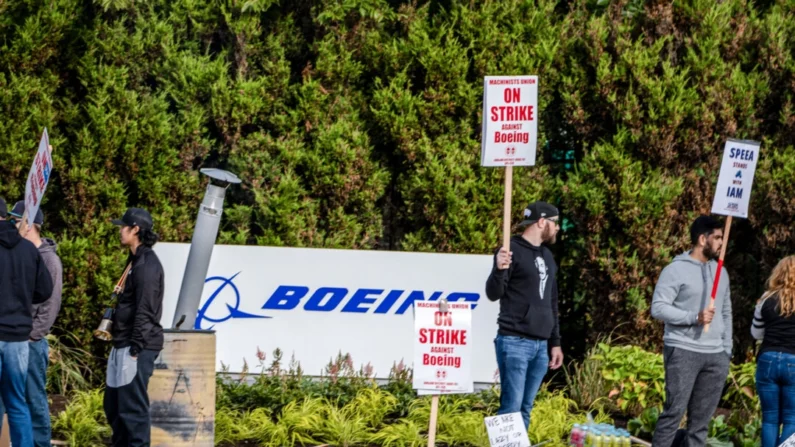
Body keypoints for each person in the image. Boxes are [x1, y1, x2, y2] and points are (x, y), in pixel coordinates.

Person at [651, 215, 732, 447]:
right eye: (717, 238)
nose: (720, 243)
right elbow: (658, 308)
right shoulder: (675, 270)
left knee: (701, 424)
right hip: (683, 350)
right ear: (701, 239)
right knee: (673, 414)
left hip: (716, 356)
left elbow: (726, 312)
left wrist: (726, 350)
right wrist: (693, 318)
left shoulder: (721, 273)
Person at [485, 201, 564, 430]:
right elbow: (493, 293)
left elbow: (552, 300)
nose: (557, 228)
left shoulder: (548, 256)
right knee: (511, 408)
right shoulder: (510, 250)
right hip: (514, 341)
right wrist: (499, 269)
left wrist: (555, 342)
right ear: (541, 222)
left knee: (526, 408)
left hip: (541, 346)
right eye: (554, 222)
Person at [2, 202, 64, 447]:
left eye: (17, 220)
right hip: (16, 337)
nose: (14, 225)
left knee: (33, 399)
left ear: (29, 225)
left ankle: (40, 444)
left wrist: (32, 335)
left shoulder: (50, 260)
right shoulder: (19, 252)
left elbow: (51, 304)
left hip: (30, 341)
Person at [104, 207, 165, 447]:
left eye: (123, 227)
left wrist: (136, 347)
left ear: (135, 229)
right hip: (122, 342)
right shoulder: (134, 260)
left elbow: (146, 309)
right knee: (114, 406)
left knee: (133, 411)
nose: (120, 231)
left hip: (136, 345)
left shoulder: (147, 265)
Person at [751, 255, 795, 447]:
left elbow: (756, 332)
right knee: (792, 418)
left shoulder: (765, 299)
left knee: (770, 419)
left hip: (767, 358)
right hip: (793, 361)